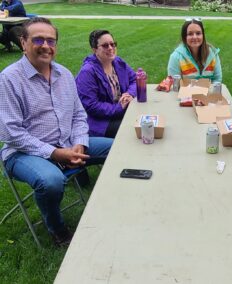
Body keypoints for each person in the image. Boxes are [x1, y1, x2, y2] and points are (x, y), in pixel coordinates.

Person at [0, 17, 113, 246]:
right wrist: (55, 153)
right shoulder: (9, 79)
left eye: (51, 40)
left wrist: (80, 143)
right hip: (22, 153)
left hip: (67, 144)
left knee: (119, 148)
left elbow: (79, 116)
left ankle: (116, 206)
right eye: (38, 39)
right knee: (51, 181)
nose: (45, 45)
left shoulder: (64, 74)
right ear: (23, 43)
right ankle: (57, 229)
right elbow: (11, 133)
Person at [75, 30, 137, 138]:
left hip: (122, 111)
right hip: (101, 123)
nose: (110, 48)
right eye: (105, 45)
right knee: (133, 131)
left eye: (113, 44)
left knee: (146, 121)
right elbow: (91, 106)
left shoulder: (118, 62)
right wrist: (120, 107)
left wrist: (129, 94)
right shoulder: (87, 72)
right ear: (94, 50)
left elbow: (135, 80)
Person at [167, 18, 222, 83]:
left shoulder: (213, 54)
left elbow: (217, 80)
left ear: (203, 35)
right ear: (184, 37)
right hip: (185, 92)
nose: (195, 37)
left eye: (198, 33)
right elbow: (175, 83)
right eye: (190, 34)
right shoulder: (176, 57)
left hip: (208, 92)